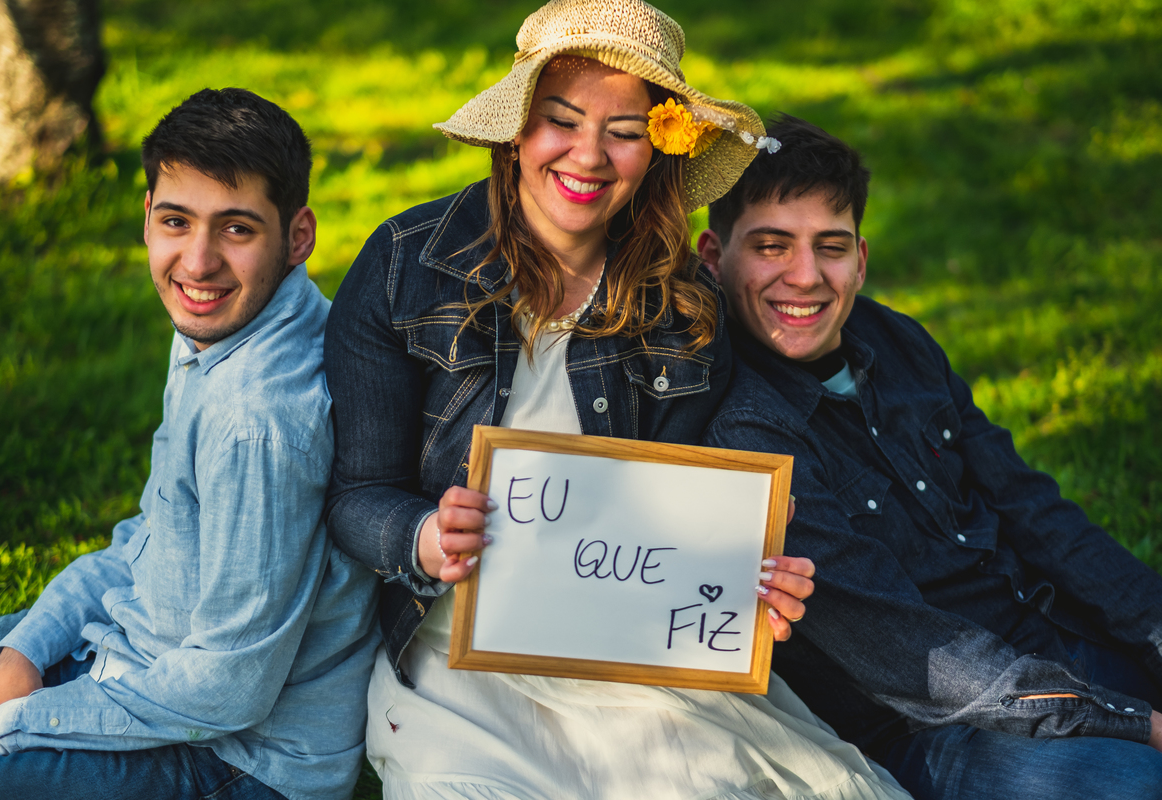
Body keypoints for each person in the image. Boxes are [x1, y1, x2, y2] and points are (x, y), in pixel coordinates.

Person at [325, 1, 909, 798]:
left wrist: (745, 581)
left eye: (625, 131)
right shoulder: (406, 266)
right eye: (561, 120)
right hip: (457, 651)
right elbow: (356, 496)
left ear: (657, 150)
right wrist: (424, 536)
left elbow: (679, 512)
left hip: (624, 646)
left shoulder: (682, 306)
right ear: (520, 129)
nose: (588, 156)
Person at [698, 113, 1162, 800]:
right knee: (1135, 783)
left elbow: (1037, 513)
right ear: (713, 258)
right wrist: (1134, 724)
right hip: (931, 726)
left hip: (1055, 642)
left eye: (830, 247)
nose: (805, 277)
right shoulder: (745, 428)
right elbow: (906, 653)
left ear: (861, 258)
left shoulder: (898, 342)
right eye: (771, 247)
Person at [0, 88, 381, 800]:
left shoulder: (259, 417)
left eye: (237, 229)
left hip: (236, 761)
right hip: (141, 661)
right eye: (175, 221)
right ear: (147, 217)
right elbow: (149, 537)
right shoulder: (217, 328)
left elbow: (227, 688)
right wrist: (27, 651)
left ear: (298, 235)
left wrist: (8, 730)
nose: (198, 261)